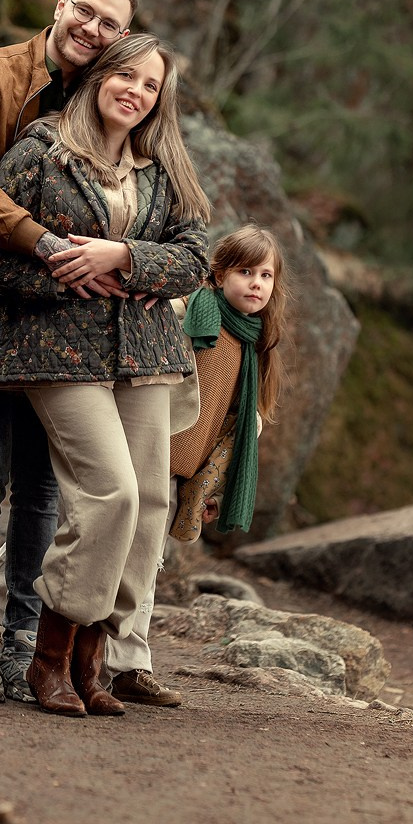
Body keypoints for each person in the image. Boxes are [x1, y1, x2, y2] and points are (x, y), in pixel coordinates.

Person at [0, 34, 211, 717]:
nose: (134, 91)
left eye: (149, 84)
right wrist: (65, 278)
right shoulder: (38, 152)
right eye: (124, 75)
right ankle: (46, 656)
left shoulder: (162, 166)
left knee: (149, 508)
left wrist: (122, 256)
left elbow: (194, 259)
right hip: (55, 353)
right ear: (99, 76)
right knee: (111, 495)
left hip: (145, 354)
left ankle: (92, 658)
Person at [0, 0, 138, 703]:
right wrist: (50, 245)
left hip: (57, 319)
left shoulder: (104, 95)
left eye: (108, 23)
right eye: (84, 12)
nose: (92, 28)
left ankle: (26, 638)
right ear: (61, 5)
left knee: (43, 481)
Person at [105, 222, 290, 704]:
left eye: (266, 275)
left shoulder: (254, 343)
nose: (256, 283)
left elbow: (232, 424)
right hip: (143, 450)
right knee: (95, 542)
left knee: (146, 564)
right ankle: (16, 625)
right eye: (245, 271)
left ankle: (127, 666)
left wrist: (206, 487)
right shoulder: (189, 311)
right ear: (218, 272)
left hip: (182, 469)